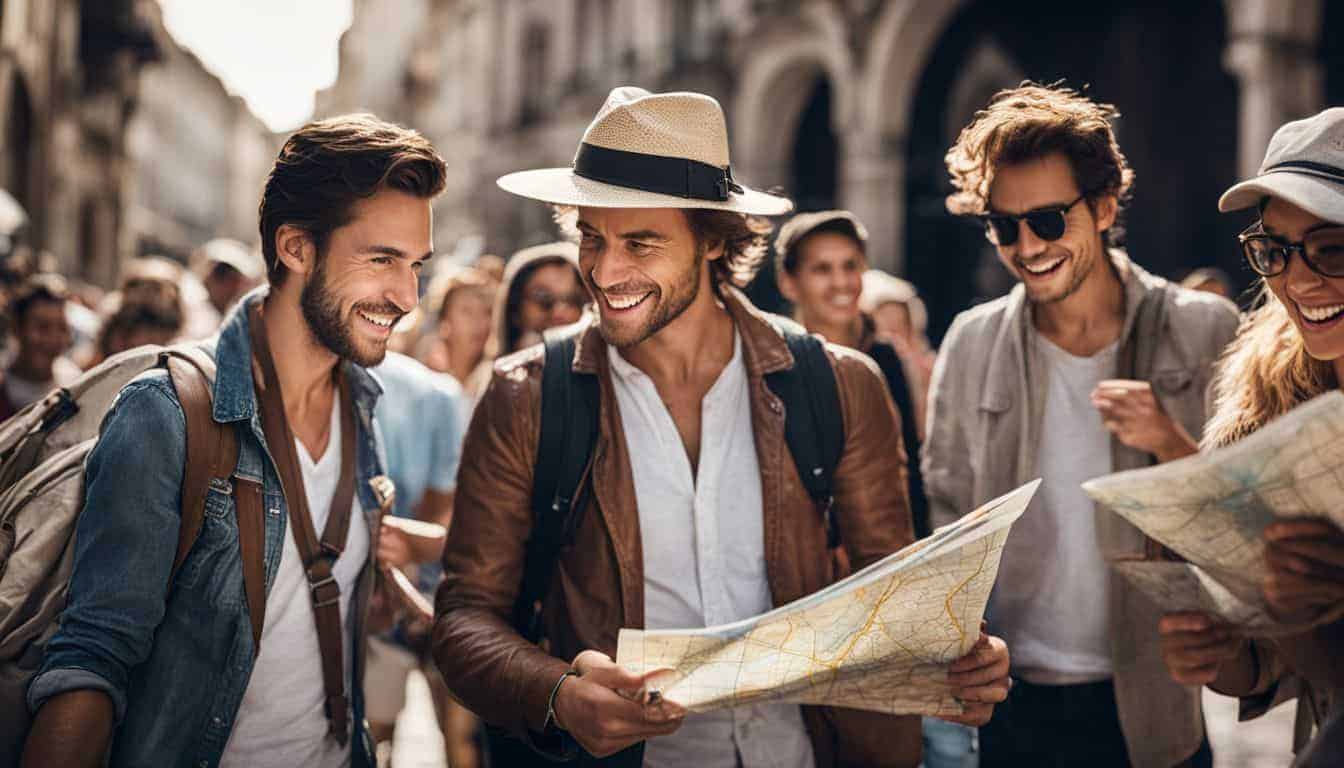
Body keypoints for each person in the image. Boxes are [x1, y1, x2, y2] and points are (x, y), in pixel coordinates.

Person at [433, 86, 1011, 768]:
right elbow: (465, 616)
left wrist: (958, 652)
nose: (604, 269)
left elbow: (888, 593)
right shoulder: (524, 395)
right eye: (592, 237)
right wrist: (559, 691)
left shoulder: (839, 382)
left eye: (640, 242)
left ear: (712, 240)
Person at [21, 113, 447, 768]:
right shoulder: (166, 414)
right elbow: (92, 657)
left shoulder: (363, 405)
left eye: (416, 264)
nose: (407, 295)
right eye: (381, 259)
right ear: (295, 248)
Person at [924, 82, 1240, 768]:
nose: (1027, 246)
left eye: (1046, 220)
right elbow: (946, 518)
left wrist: (1170, 444)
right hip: (1013, 707)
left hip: (1154, 707)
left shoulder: (1202, 329)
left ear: (1102, 208)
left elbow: (1249, 520)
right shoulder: (970, 342)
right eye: (1004, 226)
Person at [1157, 107, 1344, 765]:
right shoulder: (1265, 415)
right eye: (1274, 250)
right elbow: (1268, 665)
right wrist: (1223, 655)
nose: (1296, 279)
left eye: (1332, 249)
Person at [774, 211, 930, 540]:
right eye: (821, 269)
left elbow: (909, 468)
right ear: (788, 282)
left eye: (850, 266)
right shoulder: (774, 360)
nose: (841, 282)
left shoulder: (886, 358)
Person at [365, 350, 464, 764]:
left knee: (373, 734)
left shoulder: (437, 393)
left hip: (392, 580)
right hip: (429, 582)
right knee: (460, 737)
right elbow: (444, 498)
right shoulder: (442, 393)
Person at [860, 269, 936, 437]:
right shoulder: (860, 373)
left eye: (900, 329)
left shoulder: (930, 371)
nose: (896, 343)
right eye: (886, 333)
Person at [0, 274, 77, 419]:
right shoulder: (4, 389)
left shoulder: (74, 386)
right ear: (17, 328)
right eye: (43, 327)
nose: (53, 338)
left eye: (61, 328)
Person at [491, 240, 586, 357]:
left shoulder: (606, 372)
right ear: (514, 308)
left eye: (573, 299)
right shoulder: (485, 373)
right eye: (543, 298)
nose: (560, 312)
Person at [419, 266, 495, 401]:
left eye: (488, 312)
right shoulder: (423, 377)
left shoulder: (495, 380)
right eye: (467, 311)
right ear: (444, 319)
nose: (480, 322)